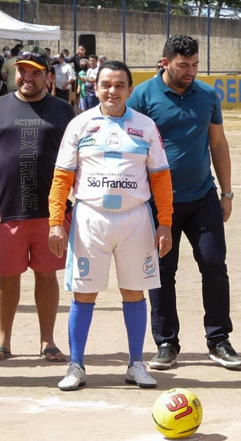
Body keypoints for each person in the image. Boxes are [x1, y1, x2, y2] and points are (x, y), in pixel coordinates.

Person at [47, 61, 174, 391]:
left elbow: (160, 178)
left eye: (120, 85)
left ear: (130, 90)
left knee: (134, 290)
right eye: (106, 84)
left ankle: (136, 363)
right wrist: (56, 221)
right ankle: (76, 365)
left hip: (135, 220)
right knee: (84, 292)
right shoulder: (80, 124)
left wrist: (165, 223)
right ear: (95, 87)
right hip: (91, 218)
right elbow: (62, 177)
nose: (112, 91)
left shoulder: (145, 126)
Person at [127, 35, 241, 370]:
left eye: (195, 65)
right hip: (157, 203)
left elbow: (218, 145)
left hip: (202, 197)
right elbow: (129, 146)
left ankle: (219, 340)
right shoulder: (143, 96)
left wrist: (227, 192)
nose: (191, 71)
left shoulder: (207, 95)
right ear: (165, 63)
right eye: (183, 65)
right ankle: (166, 343)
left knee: (214, 265)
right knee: (162, 273)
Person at [0, 46, 75, 363]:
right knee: (8, 276)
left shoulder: (62, 111)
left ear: (48, 77)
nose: (27, 77)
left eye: (35, 72)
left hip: (50, 212)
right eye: (22, 71)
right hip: (6, 209)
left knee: (47, 275)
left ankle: (48, 341)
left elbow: (76, 160)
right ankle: (2, 341)